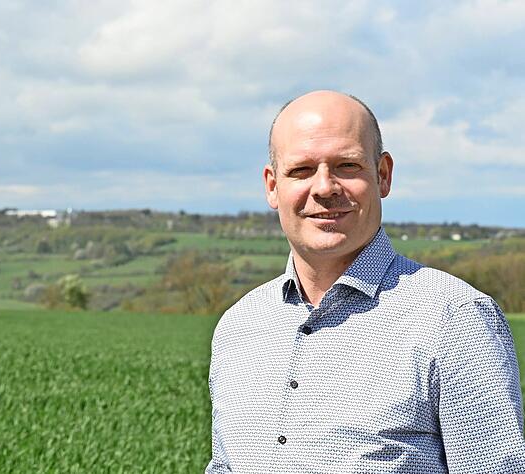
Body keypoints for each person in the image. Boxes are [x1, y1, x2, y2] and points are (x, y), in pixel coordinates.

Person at [206, 90, 525, 473]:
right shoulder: (238, 327)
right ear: (272, 186)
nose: (324, 188)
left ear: (383, 175)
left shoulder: (455, 319)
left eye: (346, 166)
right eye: (302, 170)